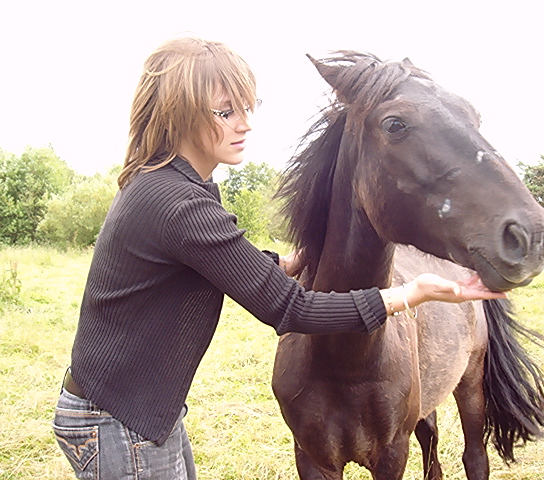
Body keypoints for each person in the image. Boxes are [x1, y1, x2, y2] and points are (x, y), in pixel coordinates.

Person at [52, 35, 507, 480]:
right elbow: (290, 309)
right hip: (116, 421)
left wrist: (280, 263)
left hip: (136, 411)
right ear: (179, 115)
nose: (244, 123)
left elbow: (215, 259)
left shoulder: (170, 185)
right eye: (226, 112)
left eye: (247, 108)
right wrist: (409, 293)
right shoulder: (175, 201)